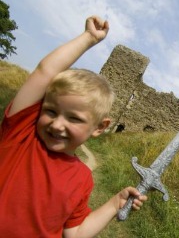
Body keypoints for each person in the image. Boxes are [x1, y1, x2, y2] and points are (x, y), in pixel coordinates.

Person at [0, 15, 147, 237]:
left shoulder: (82, 178)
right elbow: (44, 72)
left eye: (74, 118)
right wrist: (88, 38)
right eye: (50, 111)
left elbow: (75, 233)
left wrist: (114, 203)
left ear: (99, 127)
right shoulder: (21, 135)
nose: (57, 124)